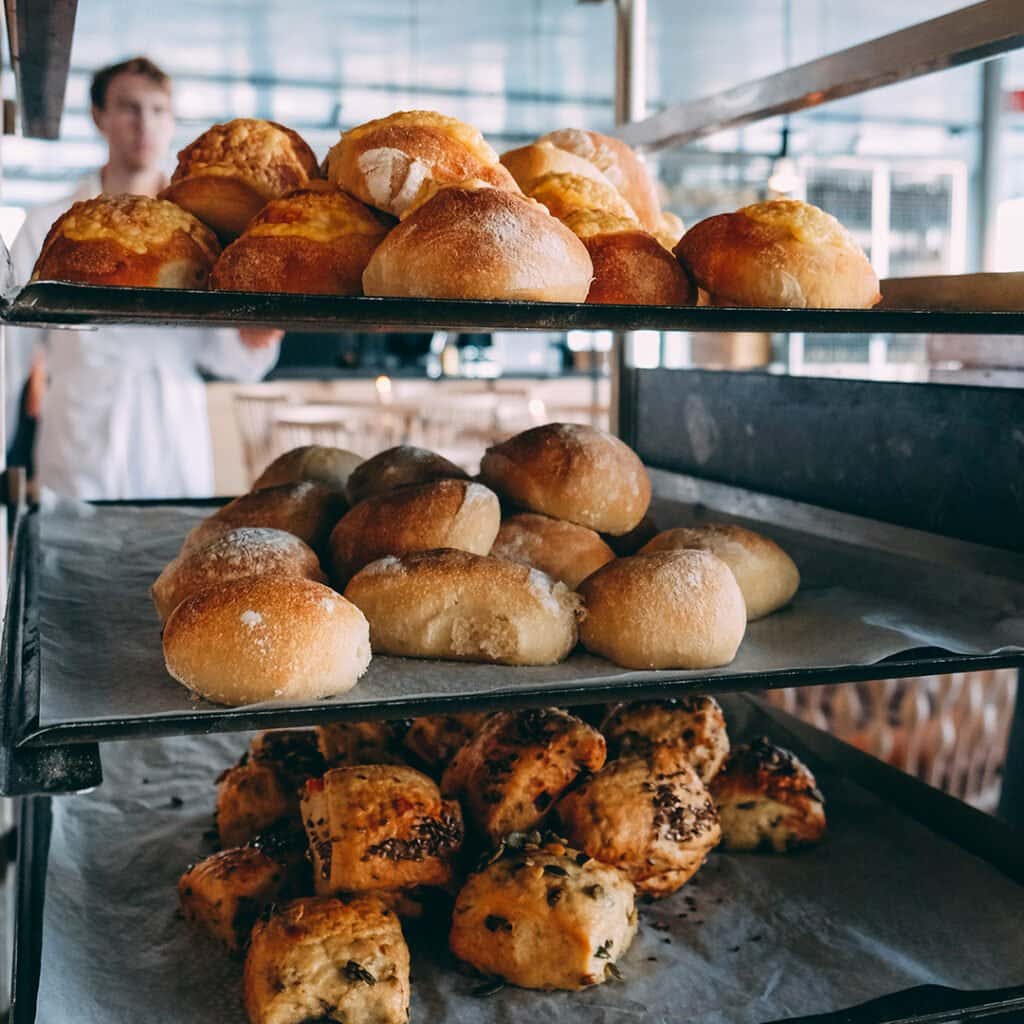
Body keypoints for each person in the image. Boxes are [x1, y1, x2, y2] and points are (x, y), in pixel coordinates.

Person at [5, 57, 282, 499]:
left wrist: (258, 335)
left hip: (172, 453)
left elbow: (228, 358)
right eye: (129, 108)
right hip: (78, 460)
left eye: (158, 110)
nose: (144, 125)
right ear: (99, 117)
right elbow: (7, 358)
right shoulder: (51, 229)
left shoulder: (203, 234)